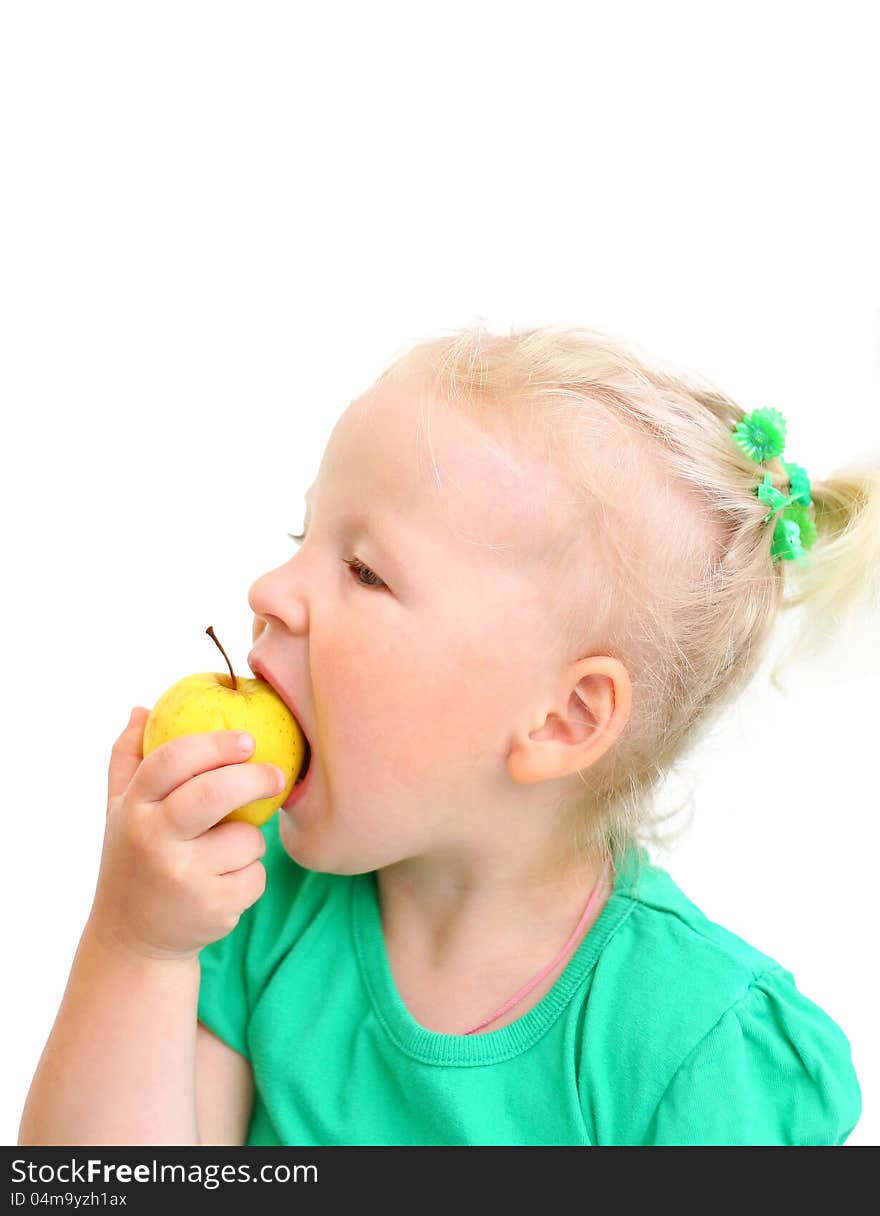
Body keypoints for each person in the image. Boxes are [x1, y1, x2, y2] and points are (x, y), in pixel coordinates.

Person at [19, 324, 875, 1146]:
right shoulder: (247, 902)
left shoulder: (696, 1050)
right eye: (300, 537)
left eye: (364, 571)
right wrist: (138, 945)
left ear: (562, 719)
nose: (270, 588)